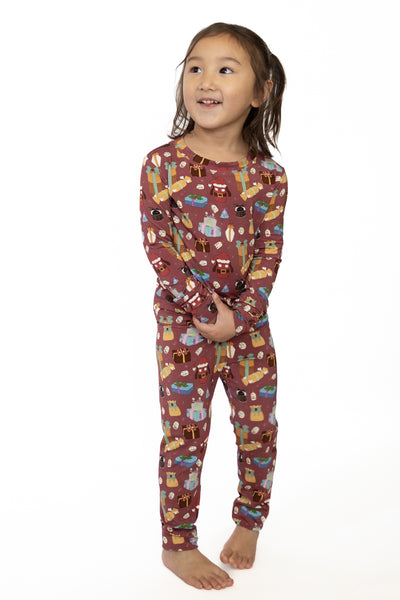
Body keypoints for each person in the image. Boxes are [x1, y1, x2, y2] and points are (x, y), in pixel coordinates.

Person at [139, 22, 288, 590]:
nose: (205, 80)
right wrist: (206, 312)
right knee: (185, 436)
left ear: (260, 92)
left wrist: (241, 317)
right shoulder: (162, 165)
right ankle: (178, 545)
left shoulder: (269, 176)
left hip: (250, 331)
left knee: (258, 429)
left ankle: (249, 522)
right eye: (195, 67)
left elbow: (270, 254)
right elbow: (160, 249)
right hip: (183, 331)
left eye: (226, 69)